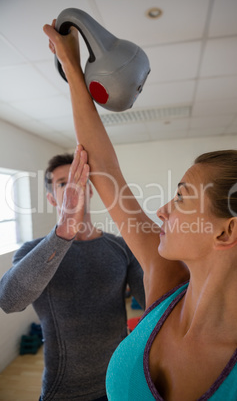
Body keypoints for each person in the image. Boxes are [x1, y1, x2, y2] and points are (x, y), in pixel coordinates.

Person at [43, 21, 237, 400]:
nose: (163, 210)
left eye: (181, 198)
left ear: (227, 232)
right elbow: (104, 169)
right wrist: (71, 66)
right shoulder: (165, 279)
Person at [0, 149, 145, 401]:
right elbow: (9, 300)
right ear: (52, 198)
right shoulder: (33, 251)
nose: (72, 189)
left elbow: (154, 304)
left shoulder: (121, 247)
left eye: (79, 181)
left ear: (90, 191)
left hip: (120, 383)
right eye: (62, 183)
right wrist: (65, 230)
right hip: (65, 391)